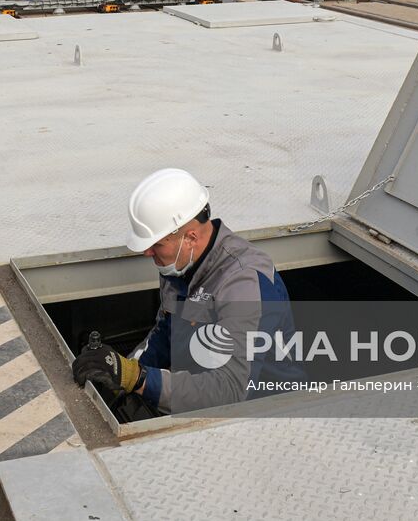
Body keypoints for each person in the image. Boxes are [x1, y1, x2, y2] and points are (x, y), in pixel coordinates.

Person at [71, 168, 304, 416]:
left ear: (190, 237)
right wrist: (119, 373)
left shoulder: (244, 284)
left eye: (156, 244)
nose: (147, 252)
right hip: (200, 398)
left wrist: (138, 379)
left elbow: (233, 389)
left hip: (266, 413)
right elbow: (164, 335)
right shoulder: (180, 265)